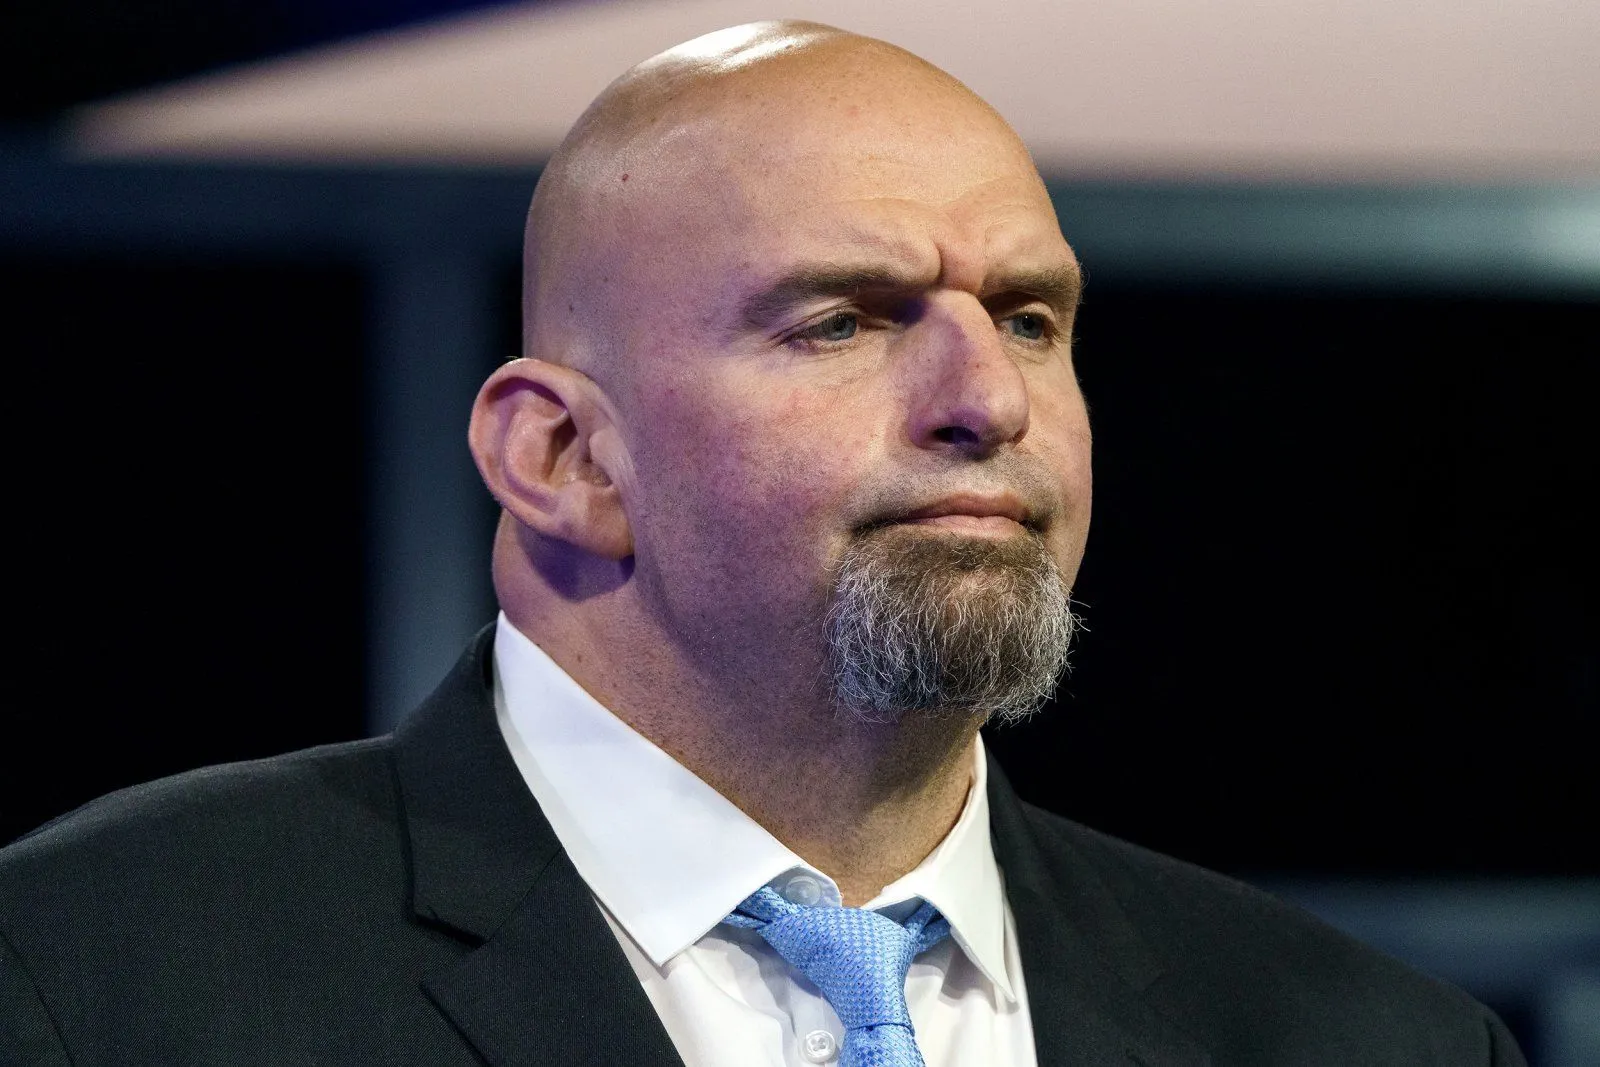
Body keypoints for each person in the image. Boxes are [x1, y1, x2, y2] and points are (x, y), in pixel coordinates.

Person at [0, 21, 1523, 1067]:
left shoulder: (1371, 1041)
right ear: (560, 457)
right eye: (843, 320)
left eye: (1027, 319)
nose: (988, 400)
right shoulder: (90, 975)